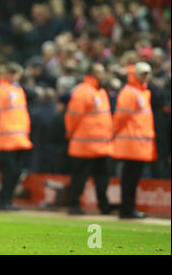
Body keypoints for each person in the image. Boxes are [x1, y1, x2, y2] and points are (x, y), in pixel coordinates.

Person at [65, 63, 113, 215]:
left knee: (102, 179)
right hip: (84, 145)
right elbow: (72, 117)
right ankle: (74, 205)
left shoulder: (101, 92)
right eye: (100, 71)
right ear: (92, 73)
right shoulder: (83, 92)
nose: (104, 74)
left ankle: (104, 206)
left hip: (102, 145)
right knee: (80, 178)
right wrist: (71, 133)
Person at [113, 62, 156, 219]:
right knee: (129, 178)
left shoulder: (142, 92)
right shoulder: (130, 92)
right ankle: (127, 208)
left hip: (140, 143)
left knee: (133, 178)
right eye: (142, 73)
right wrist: (114, 132)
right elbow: (120, 117)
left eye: (147, 73)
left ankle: (128, 208)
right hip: (131, 142)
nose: (145, 76)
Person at [0, 62, 33, 211]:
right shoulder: (0, 90)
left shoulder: (18, 90)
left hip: (20, 138)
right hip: (6, 139)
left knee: (16, 172)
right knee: (10, 172)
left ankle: (7, 199)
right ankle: (3, 200)